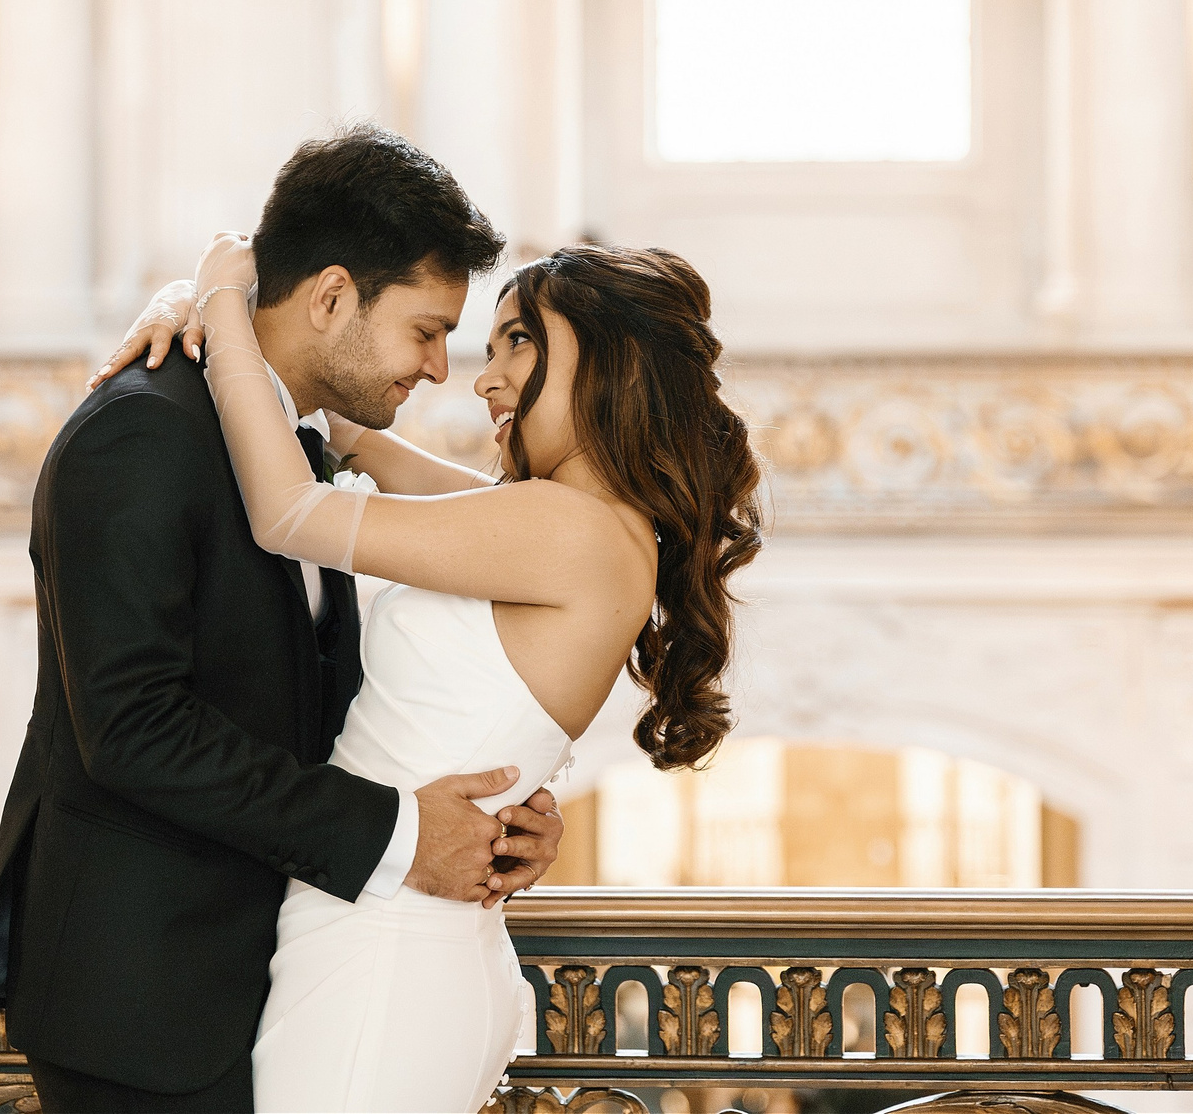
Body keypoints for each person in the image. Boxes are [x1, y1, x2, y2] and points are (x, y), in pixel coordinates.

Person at [0, 126, 568, 1114]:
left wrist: (490, 820)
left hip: (285, 974)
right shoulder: (141, 433)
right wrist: (400, 832)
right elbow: (131, 728)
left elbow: (301, 706)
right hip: (147, 1001)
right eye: (425, 329)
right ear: (332, 296)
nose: (437, 369)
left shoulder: (300, 447)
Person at [100, 225, 764, 1113]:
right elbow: (341, 429)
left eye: (519, 341)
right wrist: (188, 310)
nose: (485, 376)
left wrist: (221, 296)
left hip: (388, 955)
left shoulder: (567, 531)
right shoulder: (562, 520)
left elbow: (291, 510)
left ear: (617, 363)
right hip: (399, 940)